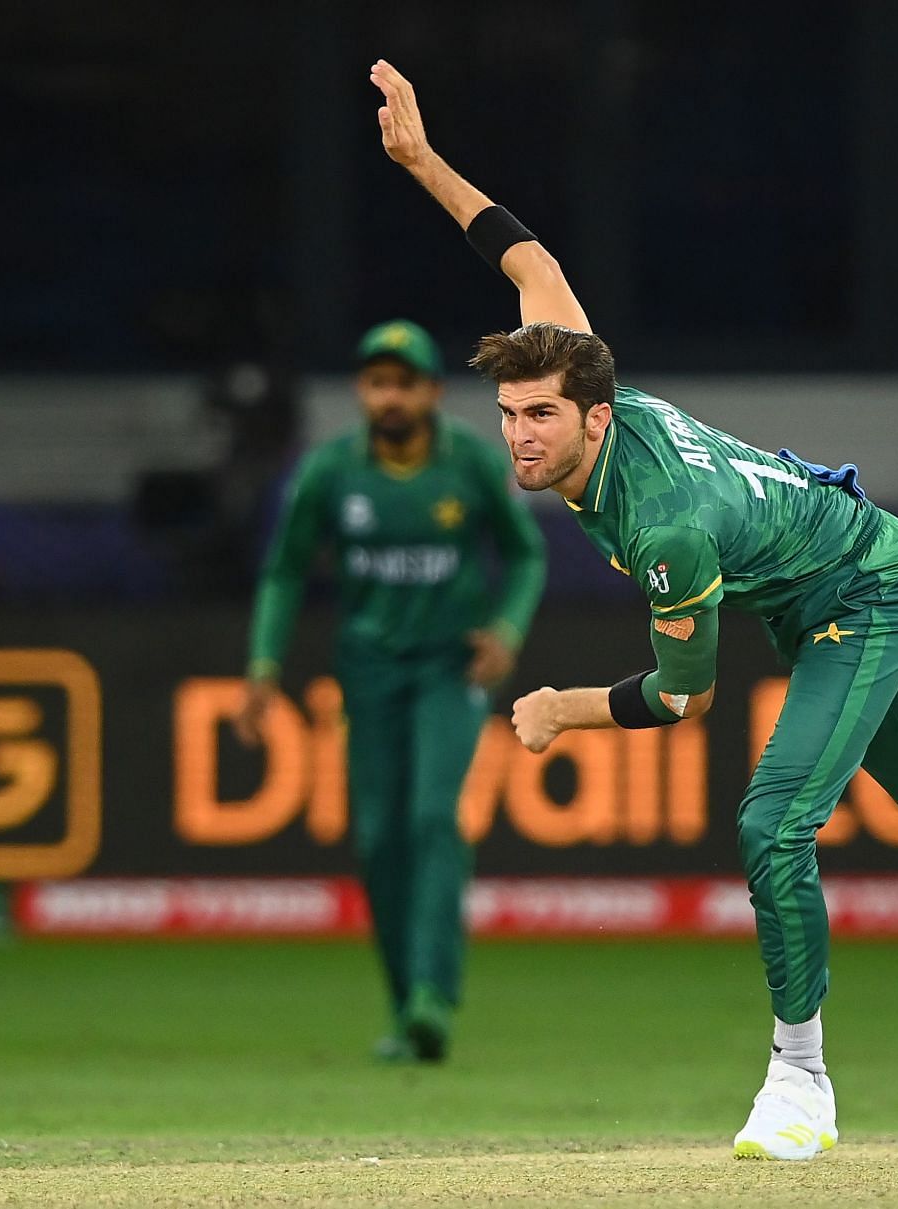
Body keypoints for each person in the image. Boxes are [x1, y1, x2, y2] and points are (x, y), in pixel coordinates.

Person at [372, 60, 898, 1158]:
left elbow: (686, 695)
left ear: (594, 416)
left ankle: (799, 1079)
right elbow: (526, 256)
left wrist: (564, 709)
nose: (519, 434)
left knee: (772, 825)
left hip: (867, 586)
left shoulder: (662, 528)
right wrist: (422, 160)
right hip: (814, 583)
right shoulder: (582, 373)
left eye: (539, 416)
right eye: (508, 413)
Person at [234, 317, 546, 1064]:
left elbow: (526, 553)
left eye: (404, 382)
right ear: (361, 392)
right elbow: (283, 570)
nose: (391, 396)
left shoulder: (470, 462)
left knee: (433, 816)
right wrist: (262, 668)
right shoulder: (330, 471)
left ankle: (436, 997)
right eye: (377, 383)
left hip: (449, 668)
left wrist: (504, 630)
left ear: (432, 391)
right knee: (377, 839)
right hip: (368, 671)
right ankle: (407, 1005)